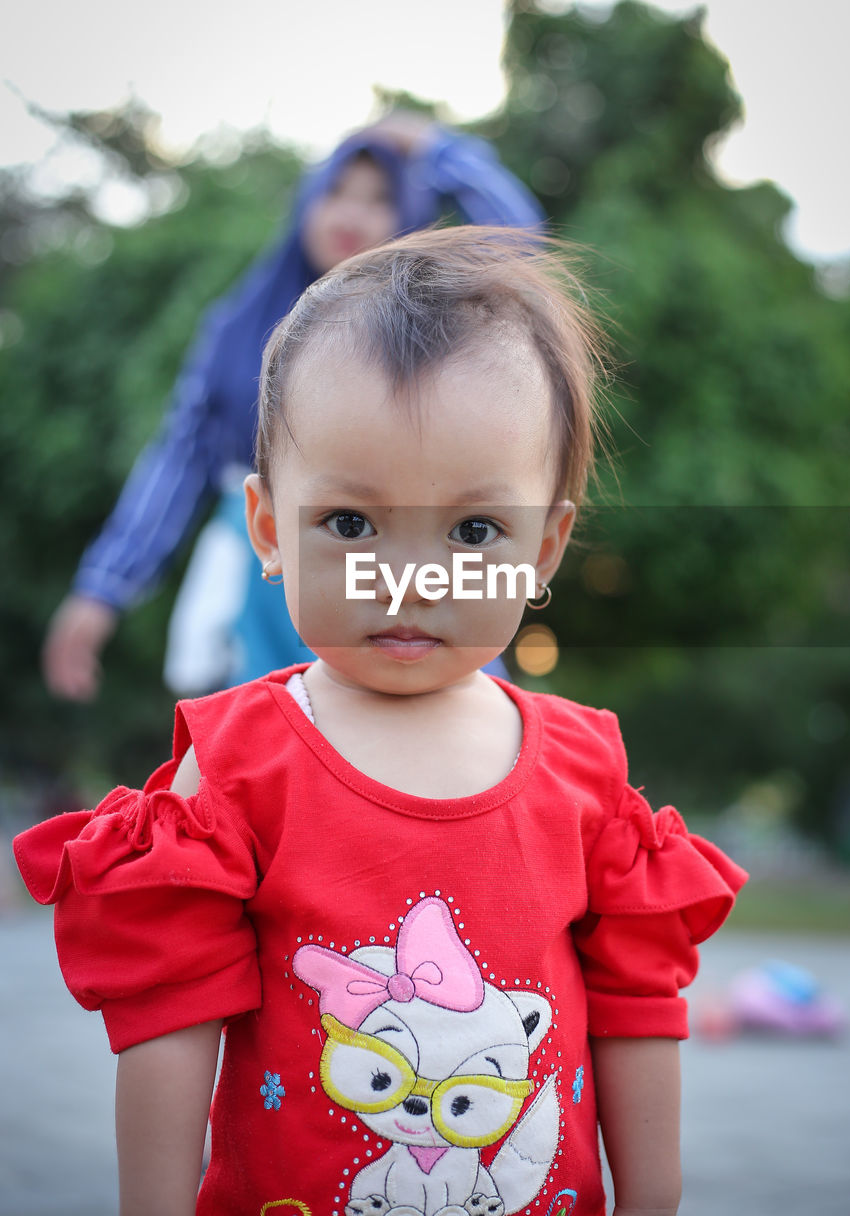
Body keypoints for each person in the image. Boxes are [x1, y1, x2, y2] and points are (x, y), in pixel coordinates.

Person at [15, 227, 747, 1216]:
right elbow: (167, 1009)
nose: (409, 578)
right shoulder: (233, 767)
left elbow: (635, 1011)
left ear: (546, 543)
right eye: (351, 523)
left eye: (473, 529)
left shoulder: (585, 772)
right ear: (269, 527)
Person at [42, 115, 544, 700]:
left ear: (409, 215)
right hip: (280, 585)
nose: (351, 216)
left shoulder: (445, 333)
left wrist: (438, 150)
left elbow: (522, 252)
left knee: (454, 738)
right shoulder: (239, 329)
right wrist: (103, 586)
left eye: (380, 198)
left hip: (421, 572)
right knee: (277, 756)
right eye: (335, 193)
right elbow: (179, 460)